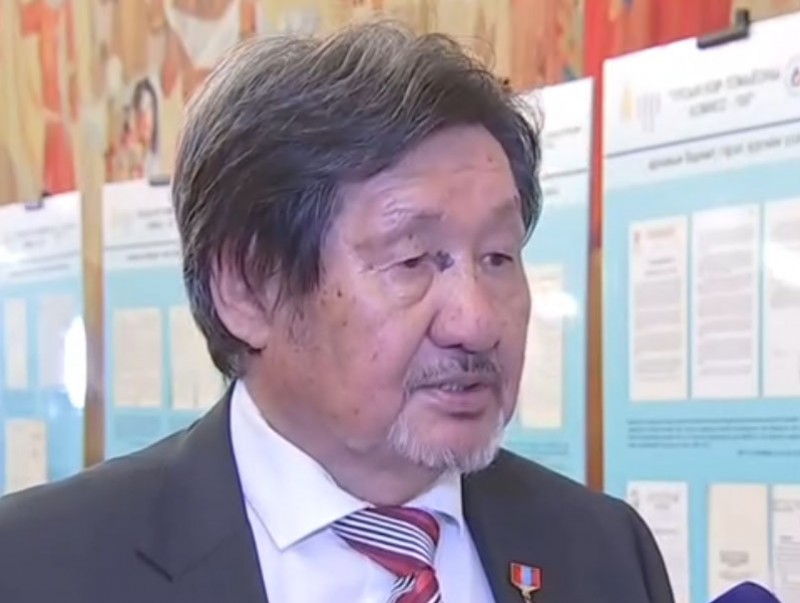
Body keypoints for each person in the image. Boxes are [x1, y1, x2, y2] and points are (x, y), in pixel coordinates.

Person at [0, 22, 674, 603]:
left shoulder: (605, 553)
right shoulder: (36, 567)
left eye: (498, 256)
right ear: (248, 288)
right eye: (413, 259)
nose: (475, 322)